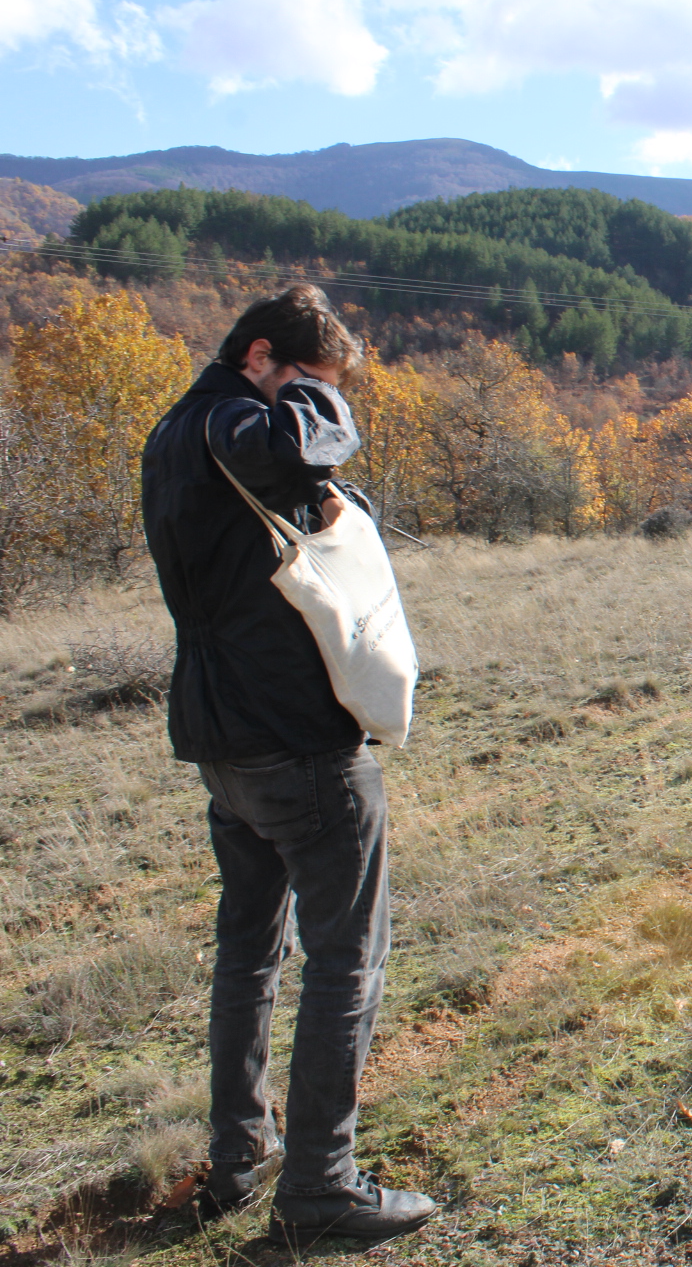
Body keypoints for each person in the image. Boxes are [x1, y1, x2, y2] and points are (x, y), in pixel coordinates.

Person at [141, 285, 437, 1247]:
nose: (321, 404)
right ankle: (320, 1185)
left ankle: (241, 1152)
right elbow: (304, 447)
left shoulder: (172, 433)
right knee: (347, 959)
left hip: (221, 738)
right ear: (260, 357)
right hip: (298, 741)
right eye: (310, 380)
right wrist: (310, 399)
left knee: (250, 951)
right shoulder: (239, 422)